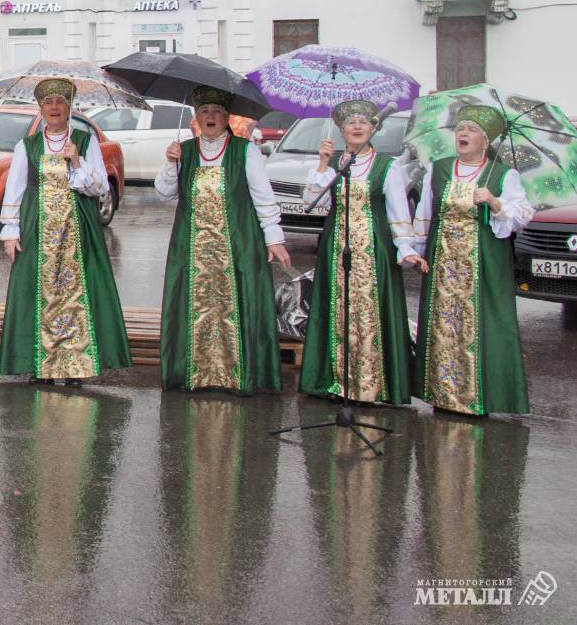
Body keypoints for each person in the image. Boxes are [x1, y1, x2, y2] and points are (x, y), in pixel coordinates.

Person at [156, 86, 290, 394]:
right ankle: (197, 374)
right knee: (196, 309)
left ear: (226, 116)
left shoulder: (245, 150)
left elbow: (263, 197)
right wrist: (170, 163)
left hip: (237, 247)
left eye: (217, 111)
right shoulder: (185, 151)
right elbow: (164, 194)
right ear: (196, 118)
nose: (211, 117)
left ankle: (235, 375)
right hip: (193, 251)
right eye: (205, 111)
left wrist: (274, 238)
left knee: (237, 308)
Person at [0, 78, 131, 385]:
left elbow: (98, 187)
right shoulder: (27, 145)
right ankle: (40, 365)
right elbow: (14, 190)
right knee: (37, 294)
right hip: (37, 229)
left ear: (70, 107)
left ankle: (74, 364)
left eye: (60, 102)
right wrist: (10, 232)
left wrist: (77, 160)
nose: (54, 108)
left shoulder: (84, 140)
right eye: (48, 103)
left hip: (77, 230)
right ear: (40, 109)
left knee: (75, 296)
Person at [411, 104, 532, 416]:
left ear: (486, 140)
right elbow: (425, 213)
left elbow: (520, 216)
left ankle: (478, 398)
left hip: (483, 266)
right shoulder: (438, 169)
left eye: (472, 130)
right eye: (460, 129)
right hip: (443, 266)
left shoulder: (502, 174)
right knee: (444, 328)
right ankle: (444, 394)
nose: (463, 134)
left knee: (483, 327)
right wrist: (416, 250)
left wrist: (494, 202)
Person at [298, 99, 417, 405]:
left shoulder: (386, 167)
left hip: (373, 251)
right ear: (341, 130)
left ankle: (370, 385)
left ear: (373, 128)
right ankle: (337, 382)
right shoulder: (337, 164)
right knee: (337, 310)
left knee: (369, 314)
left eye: (364, 122)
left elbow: (398, 213)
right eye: (351, 123)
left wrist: (405, 249)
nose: (357, 127)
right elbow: (314, 204)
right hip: (336, 250)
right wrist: (322, 164)